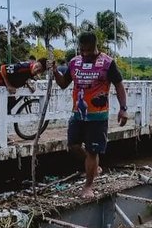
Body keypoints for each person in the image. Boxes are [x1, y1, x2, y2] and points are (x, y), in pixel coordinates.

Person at [53, 32, 128, 199]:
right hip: (78, 115)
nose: (85, 54)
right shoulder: (74, 62)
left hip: (98, 117)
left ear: (95, 47)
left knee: (93, 151)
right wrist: (55, 71)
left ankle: (88, 186)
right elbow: (64, 84)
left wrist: (123, 108)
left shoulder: (107, 63)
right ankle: (94, 167)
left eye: (89, 51)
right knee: (73, 146)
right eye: (82, 51)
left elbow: (119, 86)